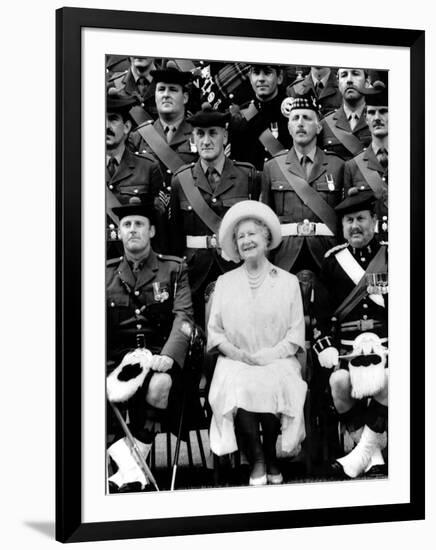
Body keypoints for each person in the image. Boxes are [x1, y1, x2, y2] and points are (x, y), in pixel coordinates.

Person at [207, 200, 307, 486]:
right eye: (240, 237)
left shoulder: (288, 282)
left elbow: (294, 334)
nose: (247, 240)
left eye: (252, 234)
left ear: (266, 239)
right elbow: (215, 332)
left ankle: (272, 456)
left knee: (276, 381)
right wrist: (237, 353)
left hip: (277, 359)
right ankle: (258, 459)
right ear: (235, 246)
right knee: (240, 384)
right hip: (235, 360)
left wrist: (268, 356)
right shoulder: (224, 283)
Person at [106, 199, 194, 492]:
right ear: (119, 232)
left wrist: (169, 355)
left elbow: (184, 319)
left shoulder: (174, 269)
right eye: (127, 225)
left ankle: (129, 470)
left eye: (139, 225)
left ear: (152, 231)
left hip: (158, 354)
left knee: (160, 385)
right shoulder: (103, 273)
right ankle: (133, 471)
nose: (133, 230)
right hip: (116, 358)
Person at [312, 188, 388, 478]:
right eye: (348, 221)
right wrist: (326, 347)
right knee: (339, 382)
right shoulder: (332, 262)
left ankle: (361, 455)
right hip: (346, 351)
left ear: (374, 220)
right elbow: (320, 315)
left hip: (387, 347)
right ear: (342, 227)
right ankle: (373, 455)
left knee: (391, 378)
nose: (355, 226)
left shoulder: (392, 255)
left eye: (361, 219)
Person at [169, 104, 258, 327]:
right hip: (194, 276)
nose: (206, 141)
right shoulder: (181, 180)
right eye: (200, 134)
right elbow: (174, 239)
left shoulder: (249, 176)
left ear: (225, 136)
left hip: (238, 271)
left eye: (213, 133)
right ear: (193, 139)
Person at [261, 92, 345, 275]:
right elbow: (265, 223)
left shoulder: (337, 166)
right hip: (284, 255)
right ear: (289, 127)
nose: (300, 123)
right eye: (295, 118)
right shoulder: (272, 167)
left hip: (326, 255)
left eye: (307, 118)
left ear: (319, 127)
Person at [106, 93, 166, 256]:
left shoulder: (148, 167)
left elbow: (159, 223)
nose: (106, 126)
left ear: (126, 127)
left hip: (136, 260)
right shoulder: (79, 169)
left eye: (113, 119)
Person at [344, 81, 389, 240]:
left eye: (383, 111)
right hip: (371, 250)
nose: (377, 118)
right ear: (366, 118)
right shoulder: (353, 166)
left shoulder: (412, 161)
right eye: (371, 113)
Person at [229, 64, 291, 170]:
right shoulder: (241, 116)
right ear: (250, 78)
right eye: (256, 73)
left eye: (267, 73)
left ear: (279, 77)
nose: (261, 79)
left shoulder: (293, 113)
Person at [319, 68, 372, 161]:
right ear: (338, 84)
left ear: (367, 82)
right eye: (344, 75)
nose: (349, 80)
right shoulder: (325, 125)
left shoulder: (379, 121)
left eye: (355, 74)